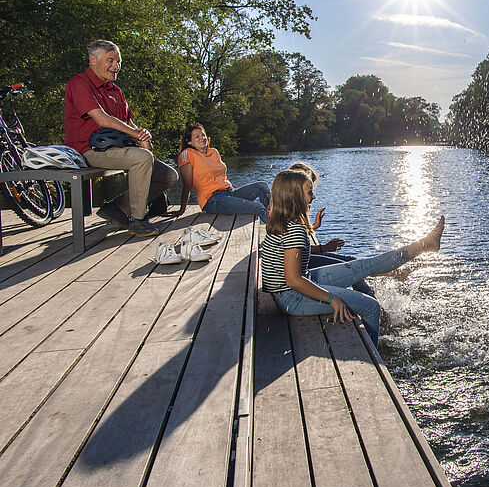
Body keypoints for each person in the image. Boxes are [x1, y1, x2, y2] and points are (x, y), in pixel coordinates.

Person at [260, 168, 444, 347]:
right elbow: (293, 280)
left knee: (363, 266)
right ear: (294, 197)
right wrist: (331, 298)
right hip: (292, 298)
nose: (313, 197)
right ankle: (374, 358)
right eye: (309, 193)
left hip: (292, 289)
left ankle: (425, 244)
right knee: (371, 307)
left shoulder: (283, 223)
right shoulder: (294, 230)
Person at [64, 39, 178, 237]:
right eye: (110, 60)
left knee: (169, 175)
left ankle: (117, 208)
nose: (116, 66)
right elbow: (102, 119)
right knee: (141, 158)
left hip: (118, 148)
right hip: (89, 151)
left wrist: (142, 134)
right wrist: (135, 135)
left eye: (118, 61)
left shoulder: (116, 91)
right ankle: (138, 220)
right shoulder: (78, 83)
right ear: (93, 60)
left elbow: (129, 123)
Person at [288, 161, 375, 297]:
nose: (314, 196)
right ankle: (374, 300)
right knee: (352, 268)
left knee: (351, 261)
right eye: (310, 190)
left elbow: (296, 243)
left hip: (300, 263)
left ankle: (373, 289)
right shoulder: (289, 213)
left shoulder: (292, 209)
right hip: (300, 268)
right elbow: (297, 251)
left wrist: (313, 227)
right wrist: (325, 248)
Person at [175, 123, 270, 222]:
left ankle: (277, 218)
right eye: (197, 136)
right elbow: (187, 184)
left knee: (262, 186)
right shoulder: (188, 154)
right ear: (189, 141)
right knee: (257, 207)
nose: (202, 138)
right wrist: (182, 209)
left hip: (230, 193)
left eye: (203, 135)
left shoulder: (214, 152)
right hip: (212, 200)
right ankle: (278, 231)